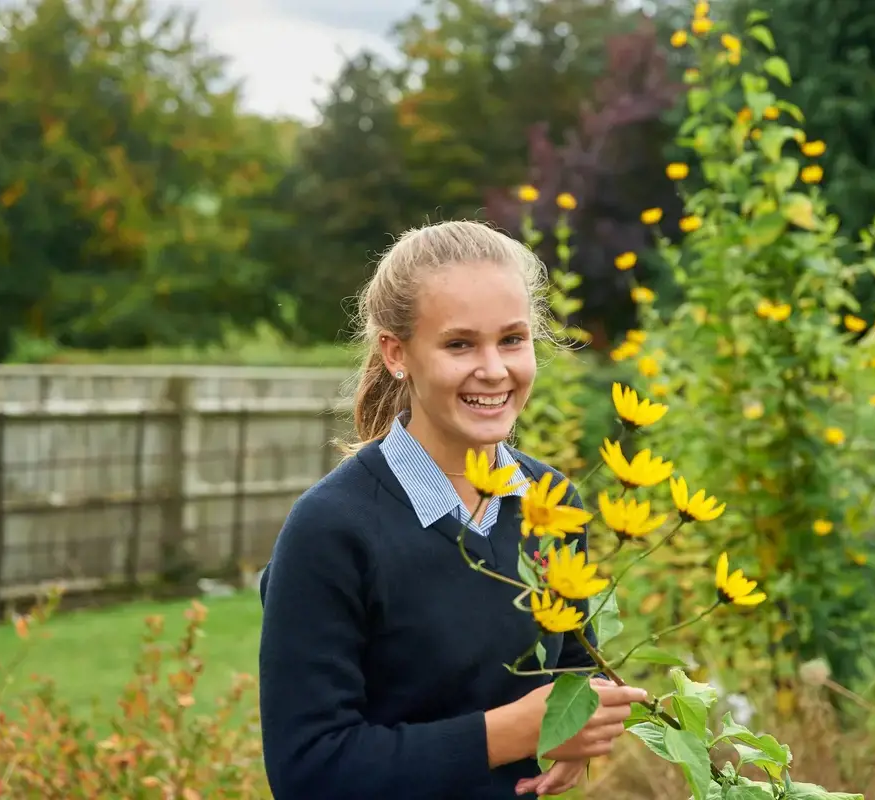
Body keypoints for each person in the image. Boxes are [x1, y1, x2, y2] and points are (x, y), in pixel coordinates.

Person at [258, 220, 645, 799]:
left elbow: (570, 659)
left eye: (513, 339)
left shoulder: (552, 501)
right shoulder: (332, 530)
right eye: (460, 344)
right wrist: (506, 736)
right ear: (396, 353)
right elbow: (308, 770)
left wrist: (577, 728)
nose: (493, 369)